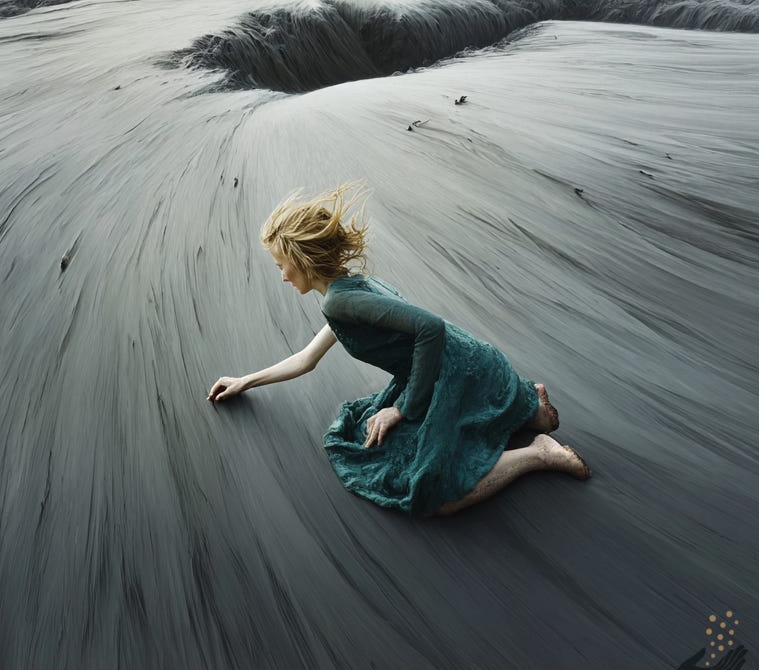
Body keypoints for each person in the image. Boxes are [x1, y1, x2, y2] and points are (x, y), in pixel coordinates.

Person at [207, 182, 591, 518]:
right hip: (470, 362)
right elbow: (307, 359)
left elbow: (430, 327)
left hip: (454, 373)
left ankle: (539, 452)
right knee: (385, 441)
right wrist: (245, 381)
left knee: (431, 492)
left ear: (303, 261)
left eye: (281, 266)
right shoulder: (350, 288)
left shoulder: (339, 303)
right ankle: (526, 407)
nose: (281, 276)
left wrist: (402, 408)